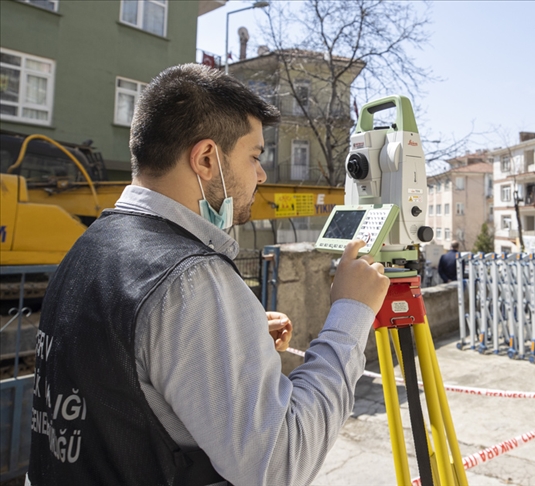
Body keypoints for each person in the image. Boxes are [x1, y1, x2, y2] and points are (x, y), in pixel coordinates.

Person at [28, 64, 389, 485]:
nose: (261, 174)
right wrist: (350, 313)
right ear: (205, 159)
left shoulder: (87, 247)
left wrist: (233, 333)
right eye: (255, 156)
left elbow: (121, 372)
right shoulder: (188, 281)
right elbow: (279, 462)